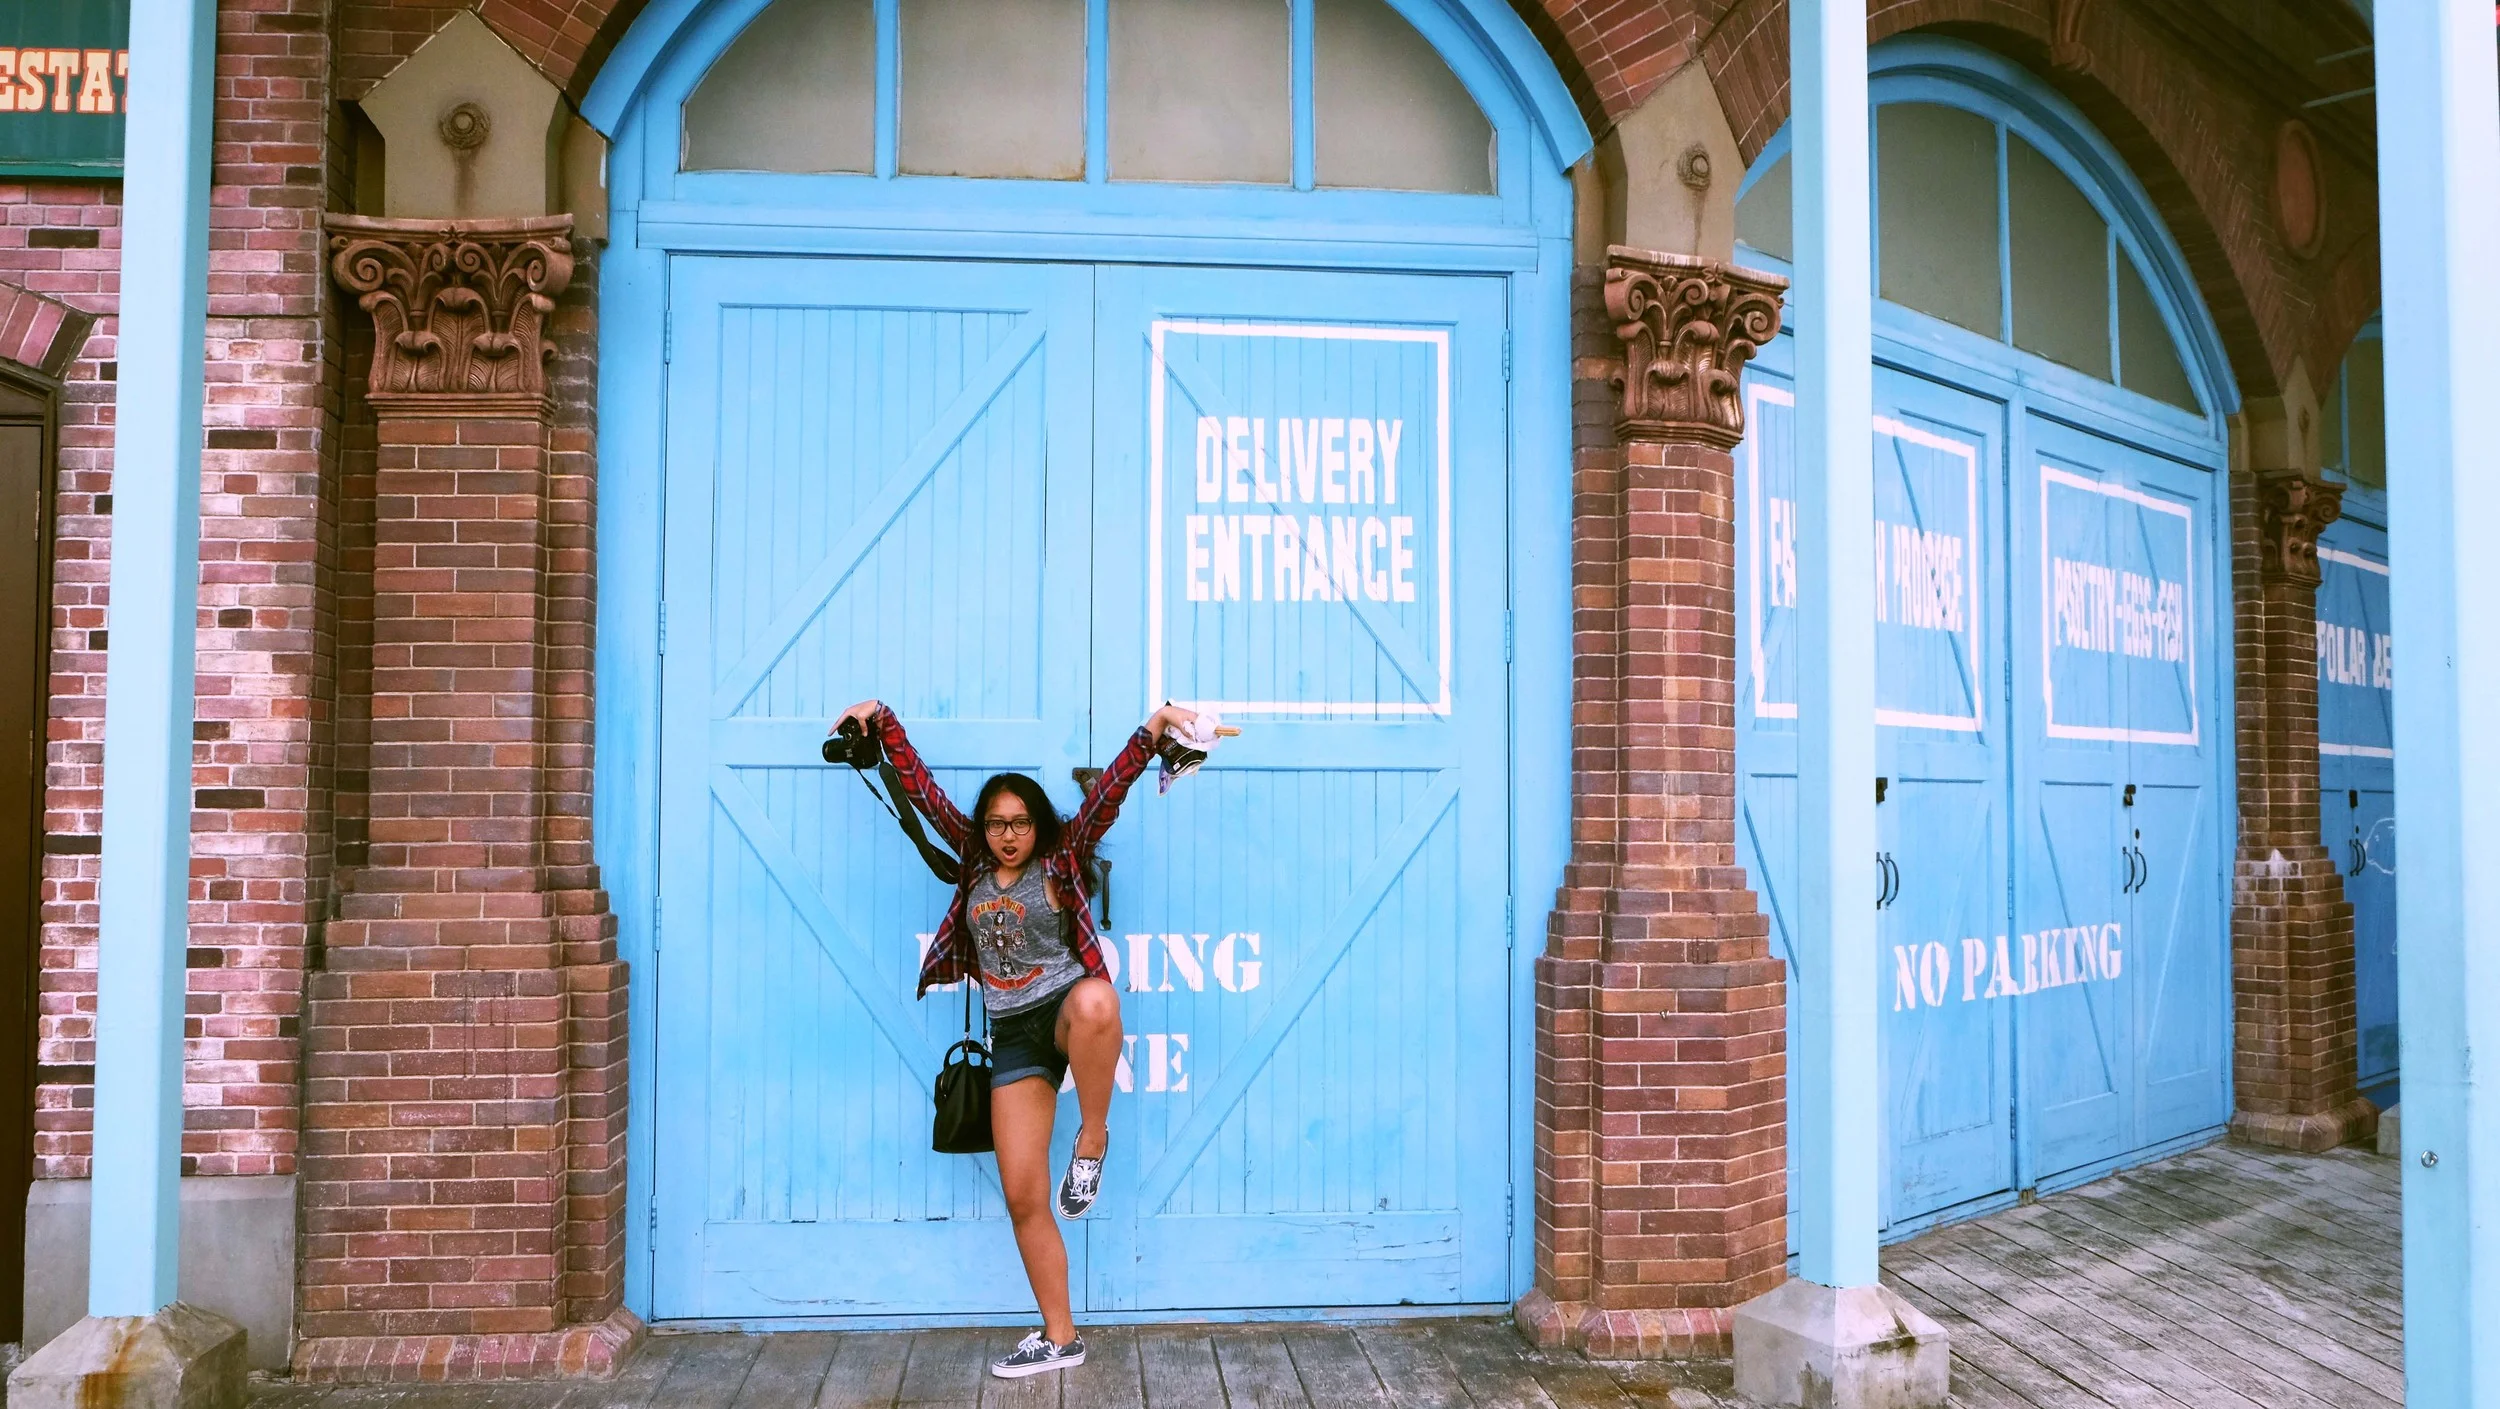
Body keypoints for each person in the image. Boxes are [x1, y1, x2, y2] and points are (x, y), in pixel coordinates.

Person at [832, 698, 1202, 1380]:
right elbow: (922, 790)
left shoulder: (1062, 856)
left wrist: (1152, 732)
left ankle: (1093, 1139)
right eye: (997, 823)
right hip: (1013, 1034)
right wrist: (881, 719)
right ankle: (1061, 1338)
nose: (1008, 835)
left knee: (1098, 997)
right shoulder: (973, 861)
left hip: (1062, 1011)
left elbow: (1109, 793)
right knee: (1025, 1194)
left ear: (1039, 825)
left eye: (1020, 823)